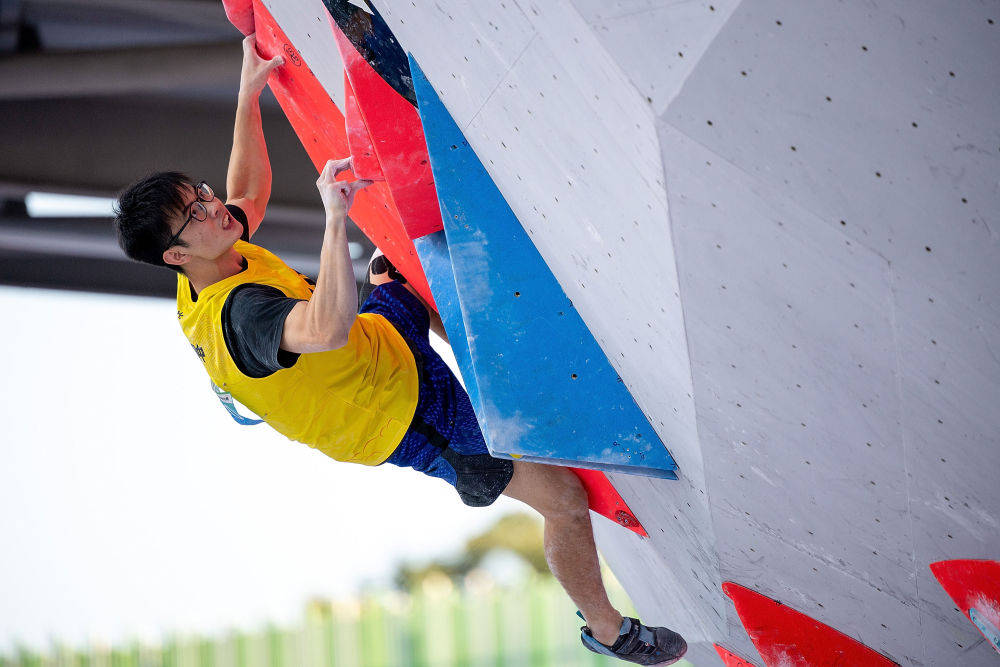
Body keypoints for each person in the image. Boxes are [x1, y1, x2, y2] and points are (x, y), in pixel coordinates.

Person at [112, 34, 686, 665]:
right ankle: (606, 630)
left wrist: (248, 95)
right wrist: (335, 220)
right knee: (566, 503)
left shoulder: (214, 250)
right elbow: (326, 328)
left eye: (199, 195)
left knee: (410, 262)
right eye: (195, 216)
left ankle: (513, 385)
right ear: (175, 256)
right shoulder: (239, 319)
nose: (212, 209)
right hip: (403, 416)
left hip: (377, 348)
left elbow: (246, 193)